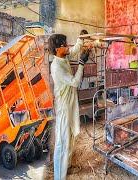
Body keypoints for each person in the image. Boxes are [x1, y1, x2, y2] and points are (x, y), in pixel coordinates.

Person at [49, 31, 90, 180]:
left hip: (70, 102)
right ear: (58, 49)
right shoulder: (56, 67)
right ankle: (59, 177)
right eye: (64, 45)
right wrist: (81, 63)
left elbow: (73, 51)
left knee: (71, 136)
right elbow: (75, 82)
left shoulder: (63, 58)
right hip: (63, 107)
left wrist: (81, 38)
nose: (67, 47)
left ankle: (67, 166)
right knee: (62, 142)